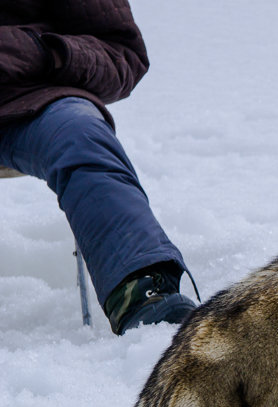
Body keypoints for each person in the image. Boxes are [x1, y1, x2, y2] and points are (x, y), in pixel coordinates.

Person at [1, 0, 196, 335]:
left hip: (28, 102)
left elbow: (123, 54)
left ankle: (141, 292)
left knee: (79, 134)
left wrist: (42, 52)